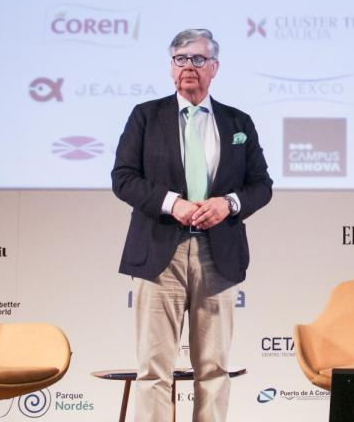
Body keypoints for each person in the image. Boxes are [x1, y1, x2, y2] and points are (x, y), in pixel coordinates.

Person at [112, 29, 272, 421]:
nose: (188, 67)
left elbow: (261, 186)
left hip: (217, 254)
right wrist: (173, 204)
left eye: (198, 59)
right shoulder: (146, 116)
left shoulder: (239, 122)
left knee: (214, 368)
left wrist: (228, 204)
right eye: (180, 59)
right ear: (171, 68)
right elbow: (123, 178)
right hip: (158, 253)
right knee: (153, 369)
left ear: (214, 68)